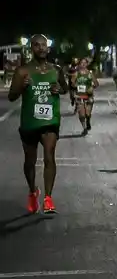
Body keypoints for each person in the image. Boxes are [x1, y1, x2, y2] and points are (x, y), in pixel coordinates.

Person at [8, 34, 67, 214]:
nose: (41, 48)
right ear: (31, 48)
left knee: (49, 156)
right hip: (30, 122)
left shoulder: (56, 70)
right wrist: (22, 87)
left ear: (48, 48)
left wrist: (59, 89)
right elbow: (12, 96)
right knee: (30, 161)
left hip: (50, 121)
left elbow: (64, 88)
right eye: (36, 45)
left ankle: (48, 198)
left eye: (44, 45)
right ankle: (33, 191)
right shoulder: (23, 71)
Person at [71, 58, 96, 136]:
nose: (83, 64)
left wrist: (92, 87)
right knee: (81, 115)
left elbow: (96, 83)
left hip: (89, 96)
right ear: (79, 64)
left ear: (87, 64)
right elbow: (72, 84)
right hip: (79, 96)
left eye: (85, 63)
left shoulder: (90, 73)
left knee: (87, 113)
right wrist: (76, 86)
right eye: (81, 63)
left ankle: (88, 120)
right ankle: (84, 128)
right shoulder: (76, 74)